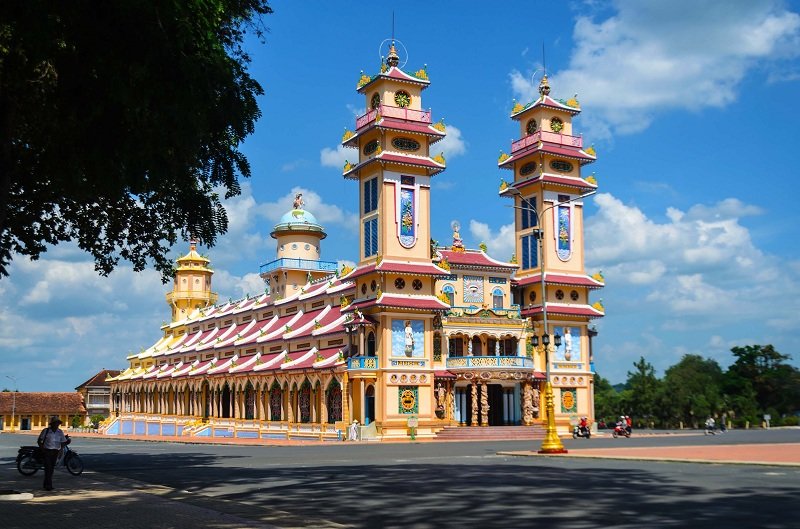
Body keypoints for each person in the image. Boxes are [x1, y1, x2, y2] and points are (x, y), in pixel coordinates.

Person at [38, 416, 70, 491]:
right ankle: (48, 485)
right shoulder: (46, 431)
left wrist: (62, 449)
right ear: (52, 424)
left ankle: (46, 484)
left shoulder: (60, 432)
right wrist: (43, 449)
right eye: (56, 423)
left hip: (55, 452)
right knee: (48, 468)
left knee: (51, 468)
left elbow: (63, 442)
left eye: (58, 423)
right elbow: (39, 441)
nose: (57, 425)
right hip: (47, 451)